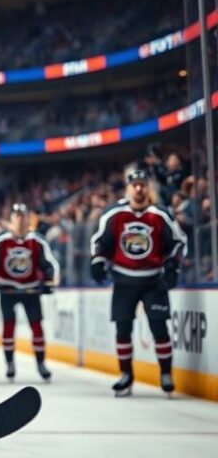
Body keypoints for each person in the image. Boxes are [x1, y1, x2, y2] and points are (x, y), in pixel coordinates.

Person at [91, 166, 187, 397]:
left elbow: (178, 242)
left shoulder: (160, 215)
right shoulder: (114, 215)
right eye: (134, 185)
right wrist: (98, 261)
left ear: (149, 188)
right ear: (128, 188)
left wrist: (172, 265)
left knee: (159, 328)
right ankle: (126, 375)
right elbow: (100, 242)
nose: (138, 189)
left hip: (154, 281)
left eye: (143, 185)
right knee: (123, 329)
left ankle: (166, 374)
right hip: (123, 281)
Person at [0, 203, 59, 382]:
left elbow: (50, 265)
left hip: (31, 291)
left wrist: (48, 282)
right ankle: (10, 363)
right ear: (11, 220)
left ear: (28, 220)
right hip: (7, 291)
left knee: (37, 327)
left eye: (23, 216)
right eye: (16, 216)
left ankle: (41, 363)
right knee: (8, 327)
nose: (20, 220)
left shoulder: (37, 242)